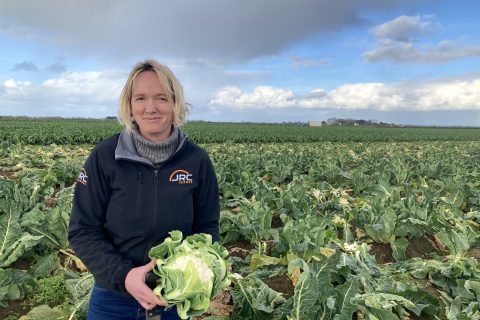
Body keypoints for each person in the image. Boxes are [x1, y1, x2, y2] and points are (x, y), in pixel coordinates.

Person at [68, 59, 220, 320]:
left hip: (173, 299)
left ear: (175, 103)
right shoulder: (104, 156)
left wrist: (194, 277)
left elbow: (207, 229)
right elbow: (83, 230)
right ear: (129, 105)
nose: (151, 108)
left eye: (161, 98)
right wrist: (124, 277)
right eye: (140, 98)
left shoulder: (197, 161)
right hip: (113, 297)